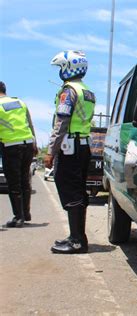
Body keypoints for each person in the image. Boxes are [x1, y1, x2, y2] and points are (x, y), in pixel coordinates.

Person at [44, 51, 96, 254]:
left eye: (60, 67)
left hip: (70, 147)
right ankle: (77, 236)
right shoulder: (87, 91)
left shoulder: (69, 91)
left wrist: (50, 151)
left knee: (69, 188)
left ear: (68, 68)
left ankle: (77, 241)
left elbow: (62, 123)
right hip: (83, 146)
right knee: (78, 189)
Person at [0, 81, 38, 227]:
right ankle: (26, 213)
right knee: (24, 180)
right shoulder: (19, 102)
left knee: (14, 182)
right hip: (27, 143)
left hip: (11, 146)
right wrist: (34, 142)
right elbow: (30, 123)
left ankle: (18, 217)